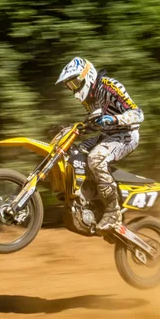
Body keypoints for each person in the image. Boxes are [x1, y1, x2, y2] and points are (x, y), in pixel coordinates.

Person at [55, 57, 144, 231]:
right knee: (75, 153)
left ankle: (113, 213)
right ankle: (90, 201)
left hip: (126, 134)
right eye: (70, 86)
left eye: (74, 83)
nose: (73, 88)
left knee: (95, 159)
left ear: (86, 76)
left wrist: (115, 118)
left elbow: (138, 114)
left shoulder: (109, 86)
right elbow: (95, 124)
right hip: (107, 135)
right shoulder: (90, 98)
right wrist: (68, 130)